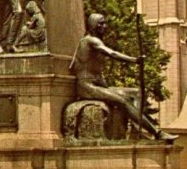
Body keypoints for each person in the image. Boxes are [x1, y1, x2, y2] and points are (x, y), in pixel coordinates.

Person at [70, 13, 178, 143]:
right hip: (86, 87)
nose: (105, 26)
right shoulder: (90, 40)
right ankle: (157, 133)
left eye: (105, 23)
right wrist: (134, 60)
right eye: (101, 23)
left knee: (137, 92)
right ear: (93, 25)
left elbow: (98, 74)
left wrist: (107, 89)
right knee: (123, 101)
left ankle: (136, 128)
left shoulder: (94, 41)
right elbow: (112, 53)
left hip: (97, 85)